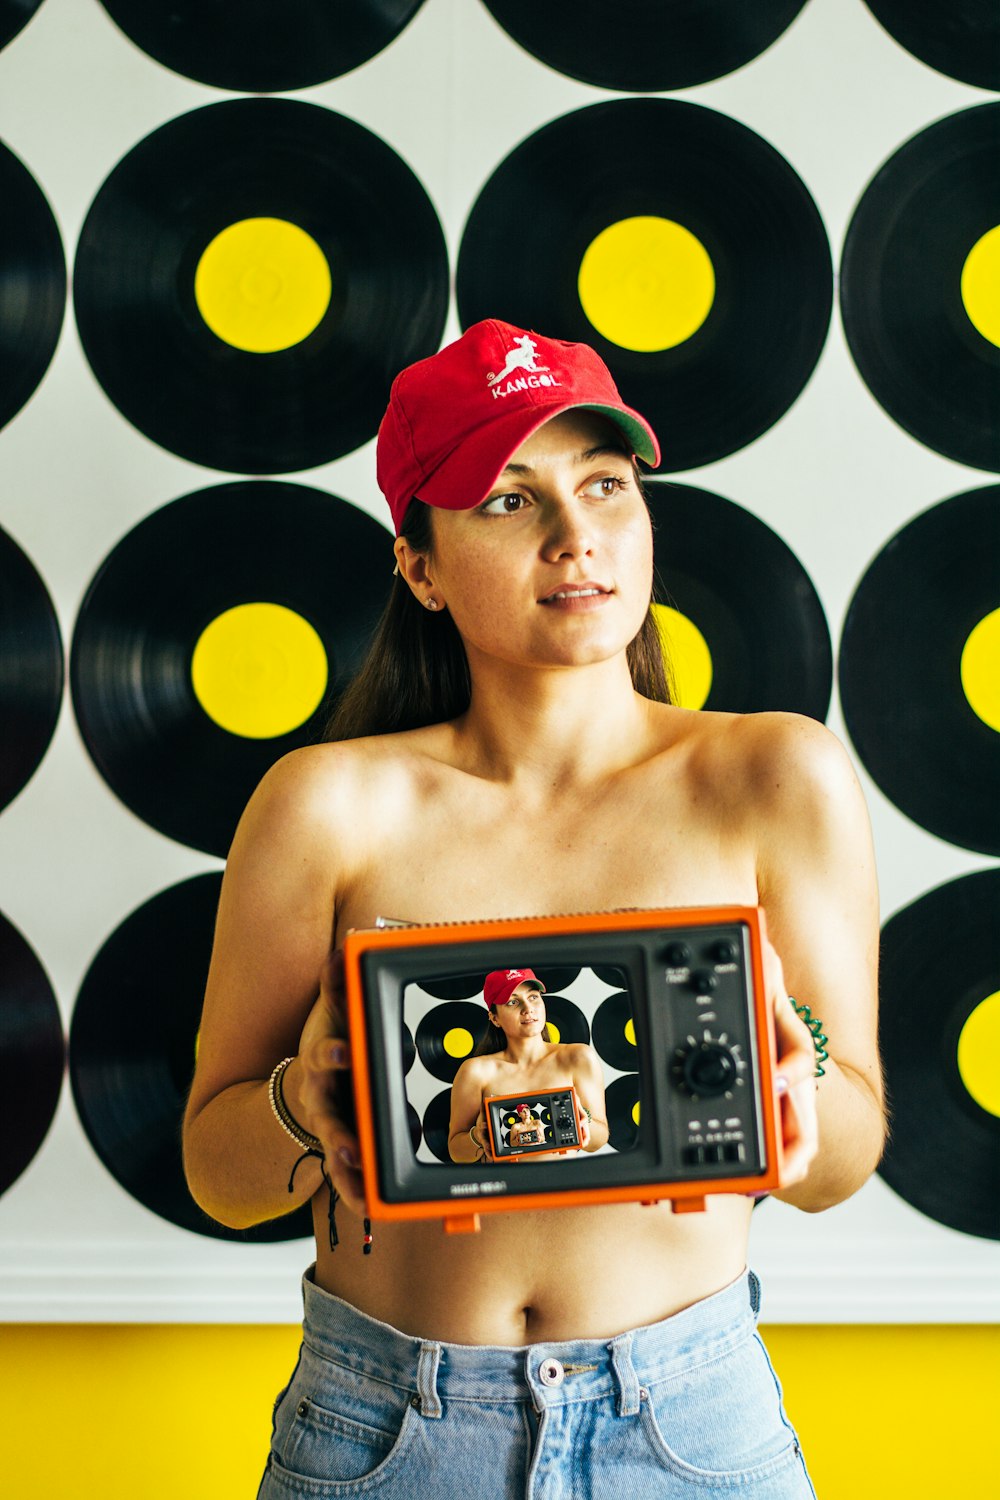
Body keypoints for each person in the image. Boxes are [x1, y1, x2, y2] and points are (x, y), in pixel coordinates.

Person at [182, 319, 885, 1498]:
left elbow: (843, 1148)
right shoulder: (326, 805)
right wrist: (306, 1108)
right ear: (418, 564)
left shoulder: (778, 777)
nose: (575, 537)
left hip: (690, 1423)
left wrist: (794, 1087)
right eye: (508, 503)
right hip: (386, 1428)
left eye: (604, 486)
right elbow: (215, 1163)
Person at [447, 968, 608, 1162]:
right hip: (506, 1188)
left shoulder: (579, 1057)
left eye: (533, 997)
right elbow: (456, 1152)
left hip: (565, 1185)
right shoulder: (476, 1071)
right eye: (513, 1002)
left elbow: (598, 1140)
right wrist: (477, 1136)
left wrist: (583, 1121)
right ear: (494, 1018)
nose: (528, 1008)